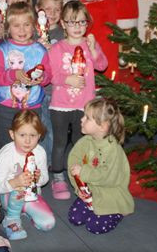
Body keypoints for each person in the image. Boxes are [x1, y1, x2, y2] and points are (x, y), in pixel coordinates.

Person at [48, 0, 108, 200]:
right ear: (63, 24)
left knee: (81, 142)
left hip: (85, 105)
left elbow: (102, 65)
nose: (78, 27)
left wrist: (93, 50)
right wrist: (67, 79)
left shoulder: (89, 44)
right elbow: (50, 76)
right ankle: (57, 177)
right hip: (60, 105)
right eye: (72, 23)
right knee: (60, 142)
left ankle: (82, 175)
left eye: (82, 23)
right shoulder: (57, 49)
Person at [67, 98, 134, 234]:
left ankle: (118, 212)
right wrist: (78, 187)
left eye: (87, 118)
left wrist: (84, 172)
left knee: (94, 227)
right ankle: (95, 207)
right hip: (90, 192)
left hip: (110, 193)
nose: (82, 120)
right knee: (75, 218)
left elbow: (108, 177)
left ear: (103, 126)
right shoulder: (85, 141)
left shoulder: (112, 148)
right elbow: (73, 163)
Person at [0, 2, 51, 149]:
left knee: (30, 146)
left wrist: (42, 79)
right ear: (8, 28)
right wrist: (13, 75)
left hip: (32, 107)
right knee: (7, 146)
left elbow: (49, 76)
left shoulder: (40, 50)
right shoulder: (2, 49)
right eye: (16, 25)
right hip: (7, 107)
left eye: (26, 24)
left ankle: (30, 170)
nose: (22, 29)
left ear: (34, 26)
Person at [0, 110, 55, 240]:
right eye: (22, 135)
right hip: (8, 196)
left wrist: (39, 179)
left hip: (31, 196)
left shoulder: (40, 152)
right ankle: (11, 219)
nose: (27, 141)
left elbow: (45, 179)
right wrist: (15, 182)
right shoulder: (6, 154)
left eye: (32, 135)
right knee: (19, 191)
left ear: (39, 136)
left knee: (48, 224)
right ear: (12, 134)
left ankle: (27, 210)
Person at [34, 0, 65, 164]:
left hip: (54, 90)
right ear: (38, 9)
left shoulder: (63, 35)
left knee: (51, 128)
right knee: (37, 126)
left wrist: (52, 50)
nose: (52, 14)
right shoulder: (32, 32)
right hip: (35, 89)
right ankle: (36, 161)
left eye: (57, 10)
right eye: (48, 9)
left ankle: (50, 164)